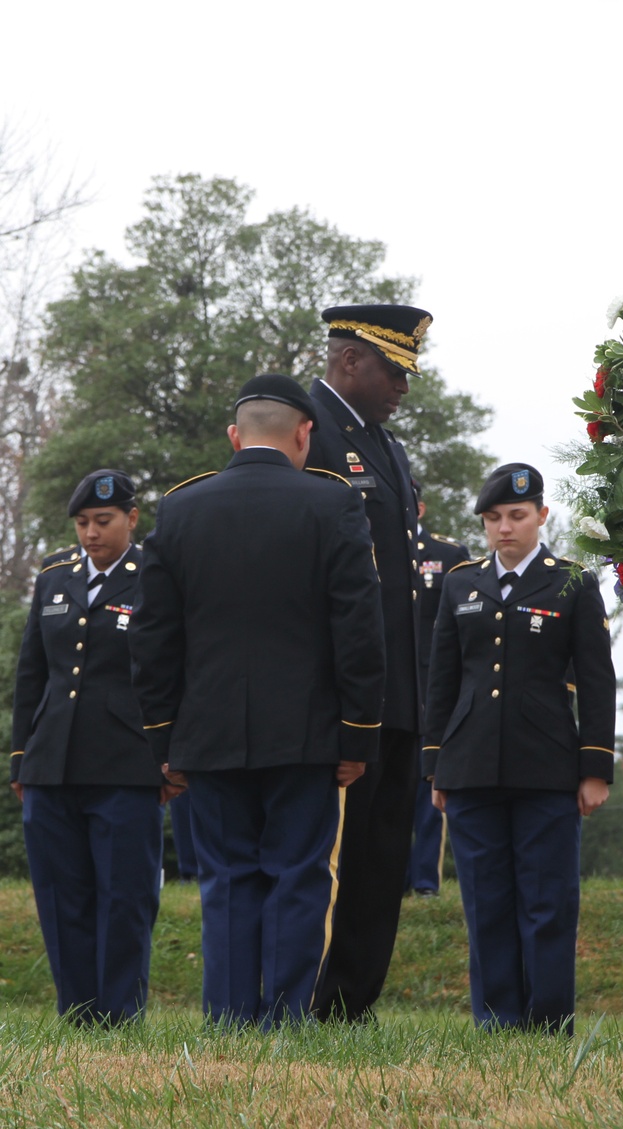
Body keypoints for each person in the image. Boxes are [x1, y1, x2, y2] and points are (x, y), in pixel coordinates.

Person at [129, 374, 386, 1026]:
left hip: (206, 734)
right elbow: (359, 631)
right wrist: (358, 734)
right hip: (307, 735)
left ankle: (229, 1020)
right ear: (304, 434)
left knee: (226, 880)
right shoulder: (333, 506)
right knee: (300, 876)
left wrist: (164, 737)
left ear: (234, 435)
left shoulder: (181, 509)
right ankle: (285, 1022)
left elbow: (153, 636)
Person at [423, 463, 616, 1034]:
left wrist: (595, 768)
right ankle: (497, 1020)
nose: (504, 528)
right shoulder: (461, 583)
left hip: (547, 765)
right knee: (486, 900)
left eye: (516, 516)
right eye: (493, 518)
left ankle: (549, 1020)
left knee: (547, 900)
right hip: (470, 764)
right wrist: (435, 766)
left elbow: (597, 680)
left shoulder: (572, 582)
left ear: (541, 517)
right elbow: (443, 679)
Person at [307, 304, 431, 1023]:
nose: (403, 387)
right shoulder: (307, 431)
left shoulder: (385, 444)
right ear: (350, 359)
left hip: (396, 688)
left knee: (382, 858)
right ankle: (313, 994)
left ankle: (353, 1000)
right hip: (340, 693)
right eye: (394, 370)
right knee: (331, 860)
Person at [11, 469, 164, 1024]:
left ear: (131, 518)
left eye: (102, 521)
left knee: (124, 898)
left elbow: (170, 671)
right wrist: (21, 758)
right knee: (60, 897)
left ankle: (120, 1014)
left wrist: (167, 754)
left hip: (126, 763)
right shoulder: (54, 577)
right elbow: (33, 674)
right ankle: (77, 1013)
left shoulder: (155, 576)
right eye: (82, 523)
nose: (91, 533)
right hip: (52, 763)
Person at [406, 481, 470, 896]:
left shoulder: (449, 557)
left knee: (429, 790)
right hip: (383, 694)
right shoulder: (363, 552)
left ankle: (426, 883)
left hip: (433, 693)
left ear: (421, 509)